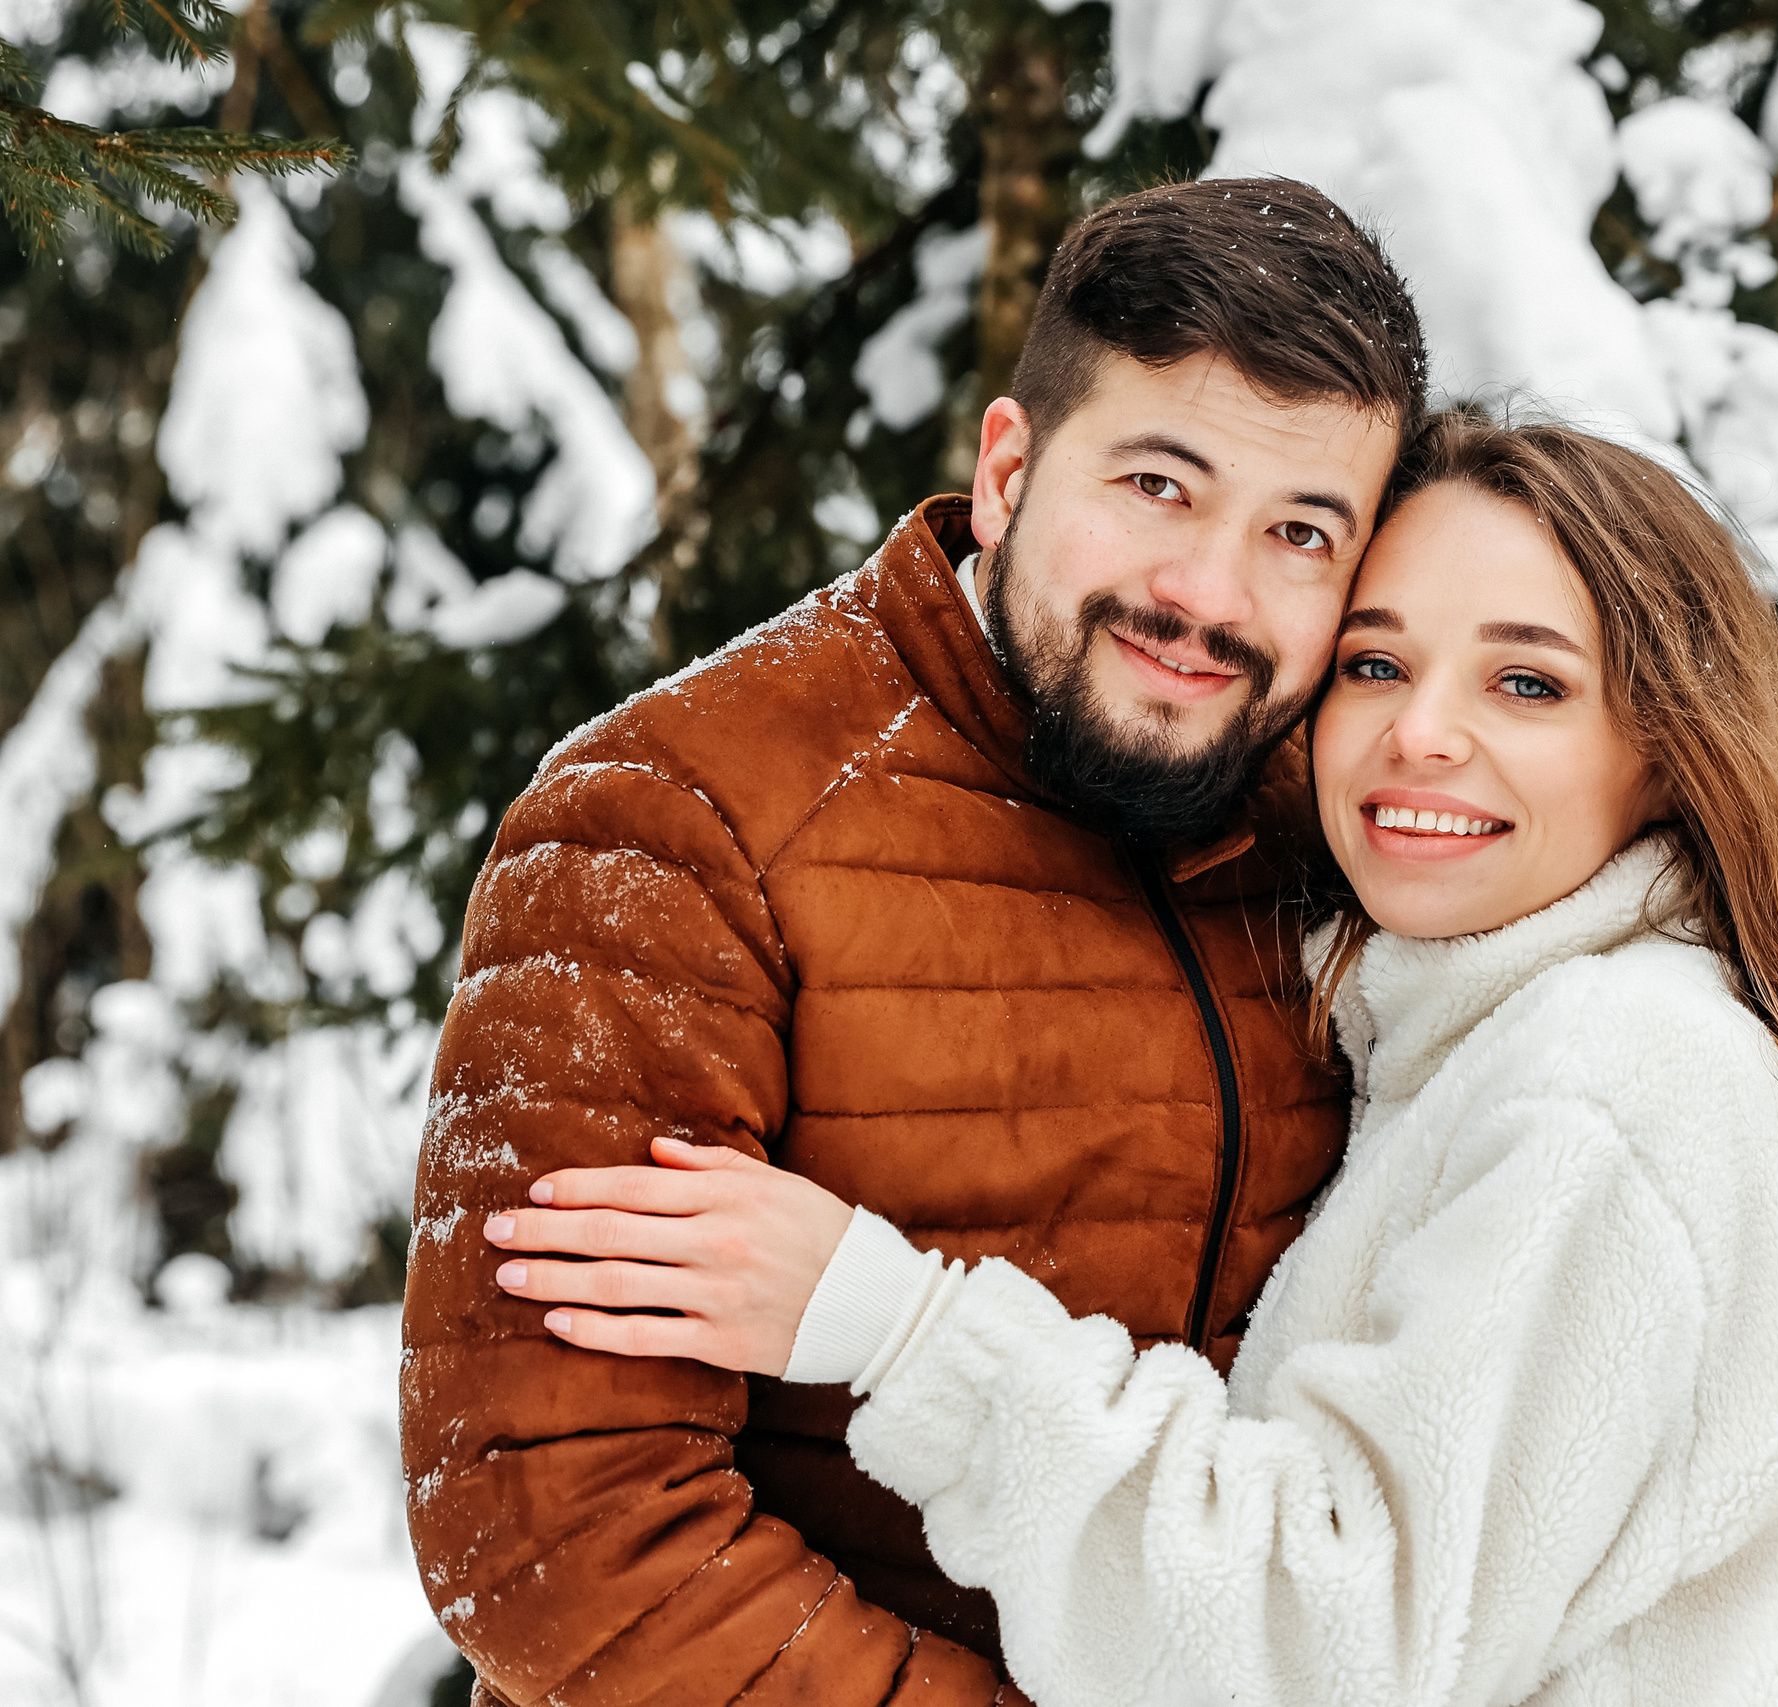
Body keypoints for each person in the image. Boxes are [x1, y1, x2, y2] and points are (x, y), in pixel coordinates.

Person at [482, 413, 1778, 1706]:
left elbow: (1321, 1652)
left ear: (1665, 745)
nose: (1422, 733)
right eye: (1375, 663)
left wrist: (901, 1335)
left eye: (1526, 682)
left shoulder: (1607, 1091)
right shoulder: (1485, 1038)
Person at [401, 176, 1426, 1707]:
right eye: (1158, 484)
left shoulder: (1342, 845)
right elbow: (554, 1534)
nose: (1209, 594)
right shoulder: (677, 822)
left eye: (1299, 531)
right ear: (1008, 470)